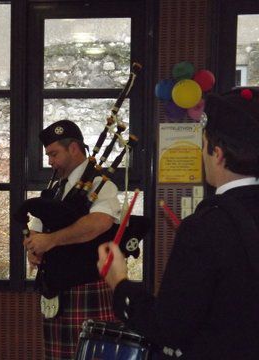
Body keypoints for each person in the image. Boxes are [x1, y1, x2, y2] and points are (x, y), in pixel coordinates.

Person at [98, 88, 259, 359]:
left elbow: (169, 327)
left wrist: (120, 282)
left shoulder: (206, 227)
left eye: (204, 144)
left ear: (217, 154)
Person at [23, 119, 122, 360]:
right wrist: (34, 247)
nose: (50, 161)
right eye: (48, 155)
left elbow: (99, 223)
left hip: (86, 288)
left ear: (74, 148)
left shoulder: (100, 184)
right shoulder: (57, 189)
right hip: (56, 290)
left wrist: (51, 240)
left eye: (54, 153)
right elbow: (37, 226)